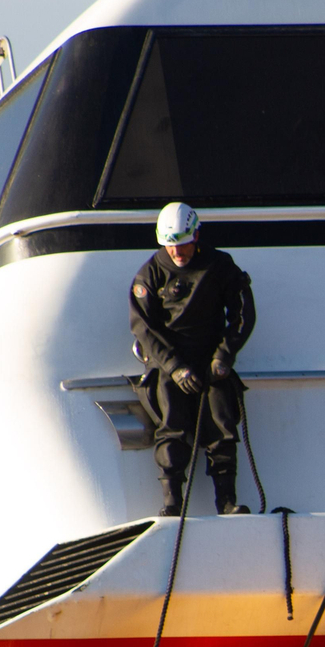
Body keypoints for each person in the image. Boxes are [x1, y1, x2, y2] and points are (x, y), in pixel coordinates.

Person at [129, 203, 256, 516]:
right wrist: (174, 368)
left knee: (222, 429)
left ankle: (226, 502)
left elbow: (242, 314)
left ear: (196, 235)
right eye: (170, 246)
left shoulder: (220, 265)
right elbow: (143, 329)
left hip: (211, 361)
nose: (176, 252)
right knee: (171, 429)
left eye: (182, 243)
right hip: (170, 365)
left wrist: (224, 356)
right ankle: (172, 504)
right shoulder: (150, 273)